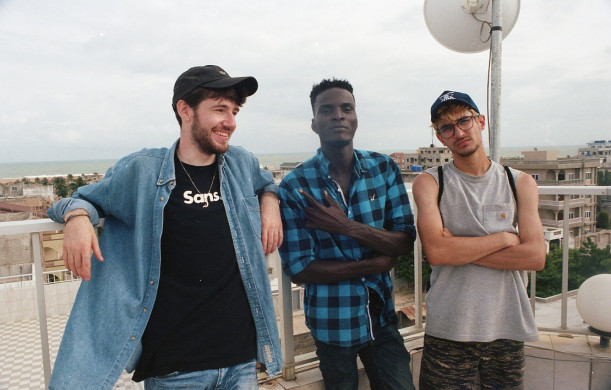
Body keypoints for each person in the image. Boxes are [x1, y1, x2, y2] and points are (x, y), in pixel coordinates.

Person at [46, 65, 283, 389]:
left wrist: (270, 203)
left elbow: (267, 182)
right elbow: (78, 199)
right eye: (219, 110)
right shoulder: (143, 172)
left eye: (234, 111)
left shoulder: (241, 163)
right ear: (184, 110)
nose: (231, 121)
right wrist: (76, 218)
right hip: (175, 369)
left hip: (240, 362)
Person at [278, 78, 417, 390]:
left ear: (355, 118)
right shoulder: (295, 186)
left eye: (346, 108)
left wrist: (345, 227)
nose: (338, 115)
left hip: (382, 320)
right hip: (332, 325)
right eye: (327, 110)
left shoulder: (383, 169)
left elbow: (405, 240)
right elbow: (300, 268)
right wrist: (372, 264)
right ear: (314, 123)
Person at [412, 90, 546, 389]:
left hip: (506, 327)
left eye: (464, 121)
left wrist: (456, 248)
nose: (458, 132)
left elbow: (535, 257)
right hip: (449, 327)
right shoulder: (431, 183)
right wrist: (506, 238)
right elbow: (436, 252)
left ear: (480, 121)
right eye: (446, 127)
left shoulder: (519, 182)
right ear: (440, 137)